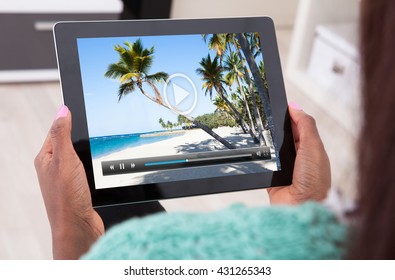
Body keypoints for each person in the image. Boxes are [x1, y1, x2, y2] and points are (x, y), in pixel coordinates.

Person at [34, 0, 395, 259]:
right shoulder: (359, 244)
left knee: (114, 210)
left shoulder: (139, 252)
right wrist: (303, 208)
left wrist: (73, 233)